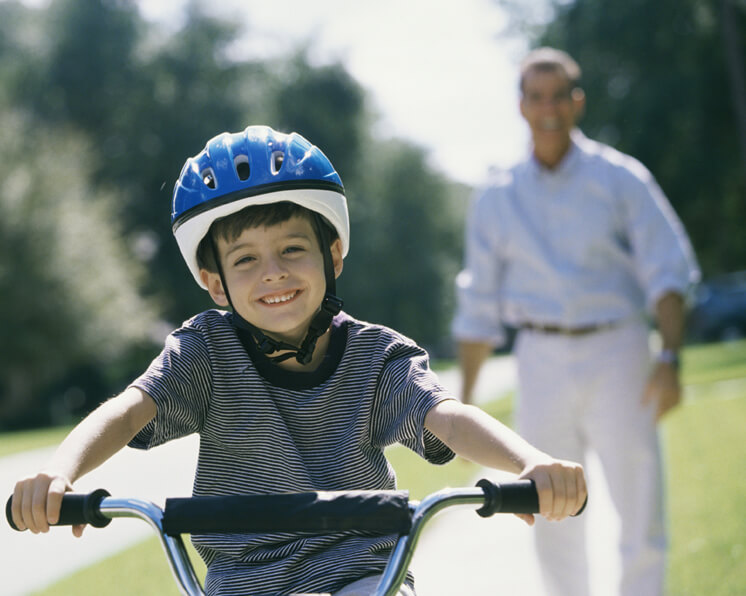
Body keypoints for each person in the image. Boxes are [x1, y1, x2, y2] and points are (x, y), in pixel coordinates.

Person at [11, 125, 587, 596]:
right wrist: (61, 473)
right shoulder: (204, 352)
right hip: (243, 584)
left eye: (292, 249)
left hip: (364, 575)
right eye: (246, 261)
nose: (274, 273)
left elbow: (447, 417)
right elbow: (129, 410)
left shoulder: (377, 356)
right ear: (214, 284)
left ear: (332, 254)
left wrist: (528, 461)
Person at [452, 47, 699, 596]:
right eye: (537, 97)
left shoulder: (620, 179)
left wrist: (670, 358)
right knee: (548, 500)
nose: (549, 109)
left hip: (619, 349)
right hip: (539, 357)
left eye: (559, 96)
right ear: (521, 106)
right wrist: (464, 408)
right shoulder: (496, 197)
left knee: (638, 502)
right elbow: (479, 305)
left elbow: (667, 271)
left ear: (577, 102)